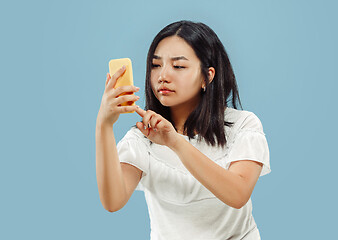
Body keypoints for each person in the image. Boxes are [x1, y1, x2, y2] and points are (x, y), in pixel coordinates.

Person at [96, 20, 271, 240]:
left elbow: (237, 194)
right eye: (156, 65)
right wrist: (104, 125)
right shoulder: (142, 138)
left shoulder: (243, 126)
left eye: (178, 66)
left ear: (207, 76)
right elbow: (113, 201)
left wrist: (175, 142)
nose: (163, 76)